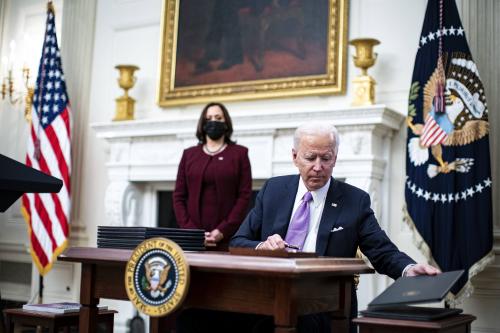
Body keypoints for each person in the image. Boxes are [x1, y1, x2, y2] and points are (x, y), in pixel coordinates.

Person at [230, 122, 440, 333]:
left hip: (325, 302)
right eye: (310, 158)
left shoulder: (355, 201)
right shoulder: (273, 190)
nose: (318, 167)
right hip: (271, 293)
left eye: (326, 158)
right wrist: (262, 247)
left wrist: (409, 268)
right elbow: (238, 242)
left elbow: (382, 250)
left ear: (335, 159)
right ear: (295, 157)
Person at [173, 102, 252, 250]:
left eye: (218, 117)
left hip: (227, 239)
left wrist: (223, 230)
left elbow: (244, 196)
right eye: (208, 118)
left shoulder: (240, 154)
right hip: (192, 240)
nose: (213, 122)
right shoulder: (189, 155)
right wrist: (192, 233)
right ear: (202, 124)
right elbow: (179, 196)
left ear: (226, 123)